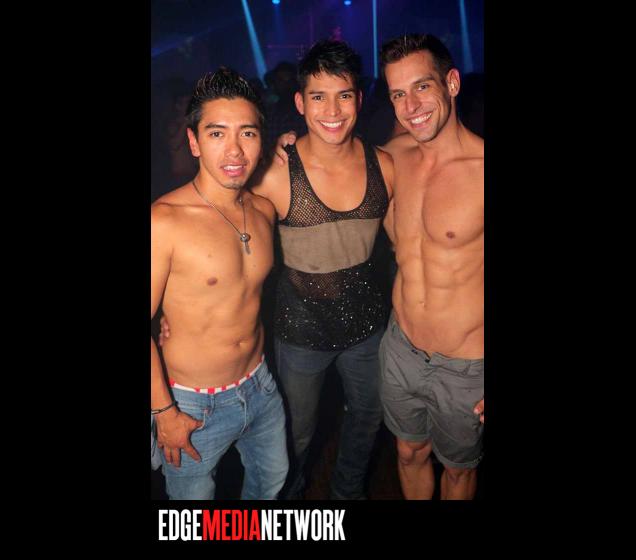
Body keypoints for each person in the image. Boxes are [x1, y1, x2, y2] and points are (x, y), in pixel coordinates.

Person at [161, 41, 394, 500]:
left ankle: (345, 495)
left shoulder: (380, 167)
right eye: (318, 96)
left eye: (344, 95)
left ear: (360, 99)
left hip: (349, 338)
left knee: (357, 425)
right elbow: (212, 211)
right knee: (290, 443)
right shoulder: (267, 176)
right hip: (291, 340)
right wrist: (175, 313)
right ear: (299, 103)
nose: (332, 109)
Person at [151, 67, 288, 500]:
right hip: (191, 404)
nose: (234, 149)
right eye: (216, 133)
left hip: (260, 385)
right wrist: (164, 413)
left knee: (271, 487)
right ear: (193, 142)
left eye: (247, 133)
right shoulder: (164, 221)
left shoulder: (264, 210)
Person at [378, 34, 484, 500]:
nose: (411, 106)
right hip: (401, 346)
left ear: (452, 83)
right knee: (408, 452)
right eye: (398, 94)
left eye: (422, 86)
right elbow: (328, 168)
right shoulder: (392, 157)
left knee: (458, 471)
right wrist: (286, 146)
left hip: (466, 364)